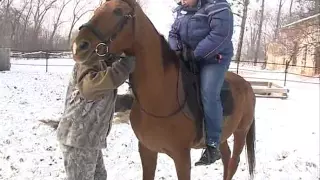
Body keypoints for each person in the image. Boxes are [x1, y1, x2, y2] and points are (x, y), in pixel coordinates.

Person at [168, 0, 234, 166]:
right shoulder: (182, 10)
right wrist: (177, 51)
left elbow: (221, 34)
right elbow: (173, 34)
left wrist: (195, 54)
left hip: (214, 58)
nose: (182, 0)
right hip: (187, 57)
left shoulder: (218, 6)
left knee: (209, 93)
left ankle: (213, 144)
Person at [56, 56, 135, 180]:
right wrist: (124, 67)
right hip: (78, 140)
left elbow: (100, 102)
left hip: (90, 140)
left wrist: (128, 102)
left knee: (100, 177)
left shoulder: (104, 68)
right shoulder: (89, 60)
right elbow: (90, 89)